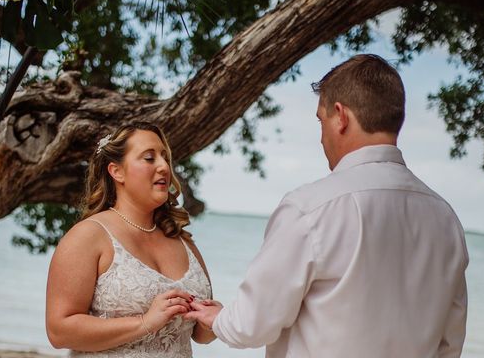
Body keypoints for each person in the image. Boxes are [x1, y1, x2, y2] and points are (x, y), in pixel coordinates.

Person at [186, 54, 469, 357]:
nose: (321, 138)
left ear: (341, 116)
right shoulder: (446, 218)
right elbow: (450, 343)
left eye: (321, 121)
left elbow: (252, 325)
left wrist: (219, 319)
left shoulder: (310, 208)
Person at [46, 122, 215, 357]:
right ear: (117, 171)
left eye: (165, 158)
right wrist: (144, 322)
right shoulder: (88, 236)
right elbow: (59, 331)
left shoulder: (183, 241)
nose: (164, 166)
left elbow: (200, 335)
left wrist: (213, 321)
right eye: (149, 158)